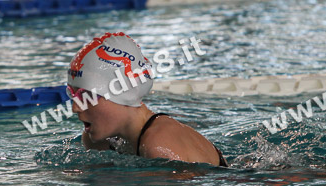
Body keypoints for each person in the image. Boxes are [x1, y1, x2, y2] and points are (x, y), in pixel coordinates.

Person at [66, 32, 228, 167]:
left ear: (124, 92)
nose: (75, 107)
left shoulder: (159, 145)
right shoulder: (97, 141)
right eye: (72, 94)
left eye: (88, 96)